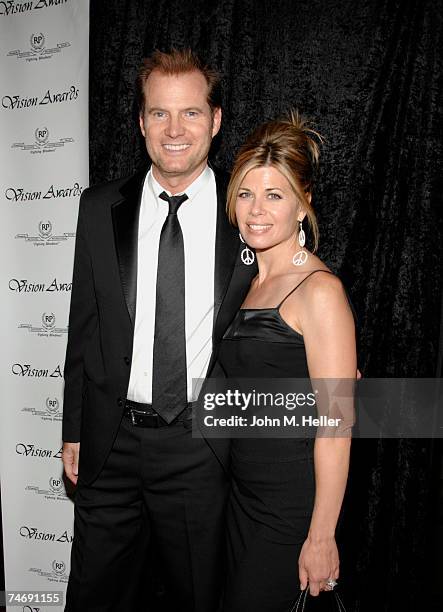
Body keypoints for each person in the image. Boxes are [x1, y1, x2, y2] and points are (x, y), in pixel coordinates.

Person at [61, 48, 256, 612]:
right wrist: (74, 427)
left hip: (200, 445)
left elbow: (290, 300)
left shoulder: (246, 214)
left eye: (191, 113)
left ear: (215, 121)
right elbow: (84, 326)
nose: (174, 130)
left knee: (200, 596)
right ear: (140, 121)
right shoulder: (99, 208)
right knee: (95, 595)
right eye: (159, 113)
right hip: (109, 442)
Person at [217, 112, 357, 611]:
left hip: (289, 507)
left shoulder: (318, 291)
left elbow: (337, 424)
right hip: (240, 498)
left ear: (304, 205)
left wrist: (321, 535)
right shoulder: (247, 280)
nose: (257, 210)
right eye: (247, 193)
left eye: (275, 195)